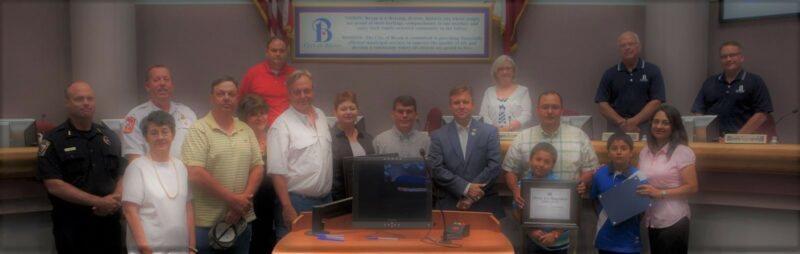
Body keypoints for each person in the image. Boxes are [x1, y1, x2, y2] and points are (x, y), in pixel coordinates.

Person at [37, 81, 126, 253]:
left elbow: (122, 173)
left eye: (90, 98)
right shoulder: (53, 140)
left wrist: (114, 199)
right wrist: (98, 202)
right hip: (72, 226)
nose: (86, 102)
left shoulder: (109, 136)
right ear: (67, 103)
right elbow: (54, 185)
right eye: (79, 99)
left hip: (109, 223)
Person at [181, 77, 264, 254]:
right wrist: (234, 201)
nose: (226, 98)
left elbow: (257, 167)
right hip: (207, 226)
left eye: (231, 94)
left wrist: (242, 202)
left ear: (237, 98)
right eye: (221, 94)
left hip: (242, 222)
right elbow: (195, 173)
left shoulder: (246, 130)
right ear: (211, 98)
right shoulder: (199, 129)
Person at [267, 70, 333, 238]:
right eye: (297, 92)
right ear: (289, 95)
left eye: (307, 90)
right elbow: (277, 172)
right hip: (297, 203)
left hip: (326, 202)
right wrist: (287, 207)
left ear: (313, 91)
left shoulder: (321, 116)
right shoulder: (281, 125)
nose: (303, 95)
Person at [503, 91, 598, 208]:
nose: (549, 111)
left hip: (567, 204)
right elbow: (510, 171)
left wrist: (581, 183)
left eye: (555, 107)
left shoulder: (579, 136)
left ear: (562, 111)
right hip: (531, 205)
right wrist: (516, 190)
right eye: (545, 107)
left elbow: (590, 169)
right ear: (537, 110)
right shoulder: (522, 137)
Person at [122, 111, 196, 254]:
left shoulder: (180, 166)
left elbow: (188, 207)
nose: (160, 137)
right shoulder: (137, 167)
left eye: (165, 131)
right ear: (146, 137)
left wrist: (192, 246)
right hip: (149, 250)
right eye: (154, 133)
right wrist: (145, 248)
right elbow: (129, 211)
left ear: (173, 135)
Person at [428, 86, 504, 218]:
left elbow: (494, 166)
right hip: (452, 201)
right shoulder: (438, 136)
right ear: (450, 106)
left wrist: (472, 194)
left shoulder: (490, 132)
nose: (461, 106)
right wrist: (466, 188)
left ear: (473, 105)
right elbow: (436, 168)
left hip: (484, 201)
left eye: (465, 102)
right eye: (456, 103)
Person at [636, 105, 698, 254]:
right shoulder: (645, 151)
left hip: (674, 221)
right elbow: (638, 179)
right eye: (656, 121)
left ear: (674, 126)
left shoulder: (682, 152)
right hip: (652, 219)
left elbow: (692, 187)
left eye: (665, 122)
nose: (659, 126)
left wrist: (660, 193)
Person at [691, 41, 773, 136]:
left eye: (733, 55)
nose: (728, 59)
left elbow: (762, 114)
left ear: (741, 58)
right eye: (724, 56)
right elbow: (698, 111)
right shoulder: (709, 82)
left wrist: (736, 138)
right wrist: (704, 135)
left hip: (742, 140)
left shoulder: (755, 81)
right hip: (712, 140)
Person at [595, 31, 666, 134]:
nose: (627, 47)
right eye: (623, 45)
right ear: (619, 50)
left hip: (646, 128)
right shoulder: (609, 73)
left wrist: (635, 121)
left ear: (638, 47)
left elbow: (657, 101)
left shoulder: (653, 71)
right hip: (617, 129)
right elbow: (602, 103)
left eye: (631, 44)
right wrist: (621, 122)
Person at [123, 64, 197, 161]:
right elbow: (135, 160)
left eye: (166, 79)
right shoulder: (134, 117)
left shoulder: (188, 113)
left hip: (185, 173)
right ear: (147, 86)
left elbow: (197, 151)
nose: (162, 83)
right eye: (156, 80)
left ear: (172, 85)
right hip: (150, 175)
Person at [588, 132, 642, 254]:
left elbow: (641, 212)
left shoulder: (639, 177)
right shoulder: (599, 174)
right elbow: (594, 201)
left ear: (631, 152)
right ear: (608, 152)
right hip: (605, 238)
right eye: (614, 148)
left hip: (629, 241)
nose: (619, 152)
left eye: (624, 148)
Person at [237, 94, 277, 253]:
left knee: (269, 242)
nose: (260, 117)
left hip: (272, 200)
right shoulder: (240, 139)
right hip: (250, 200)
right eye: (254, 114)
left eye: (262, 112)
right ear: (245, 118)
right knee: (252, 244)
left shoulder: (274, 136)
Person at [514, 142, 570, 254]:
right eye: (538, 159)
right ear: (530, 160)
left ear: (553, 164)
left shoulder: (561, 185)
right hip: (534, 240)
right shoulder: (522, 185)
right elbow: (516, 212)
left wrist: (555, 234)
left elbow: (567, 215)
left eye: (546, 162)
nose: (541, 164)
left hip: (559, 242)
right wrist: (531, 230)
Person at [239, 37, 296, 125]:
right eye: (274, 50)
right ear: (267, 53)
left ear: (286, 53)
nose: (278, 54)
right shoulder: (253, 73)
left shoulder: (294, 75)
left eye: (282, 51)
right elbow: (241, 101)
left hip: (289, 126)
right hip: (260, 128)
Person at [331, 91, 375, 201]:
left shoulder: (367, 138)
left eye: (352, 108)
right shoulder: (329, 139)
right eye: (343, 109)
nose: (348, 112)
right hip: (341, 199)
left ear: (357, 111)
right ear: (335, 113)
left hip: (367, 196)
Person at [479, 55, 533, 131]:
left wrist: (509, 127)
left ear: (513, 71)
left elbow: (527, 115)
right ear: (496, 73)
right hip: (493, 135)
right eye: (500, 69)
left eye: (508, 68)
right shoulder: (489, 92)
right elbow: (483, 115)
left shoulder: (523, 91)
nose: (505, 72)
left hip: (517, 136)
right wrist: (493, 128)